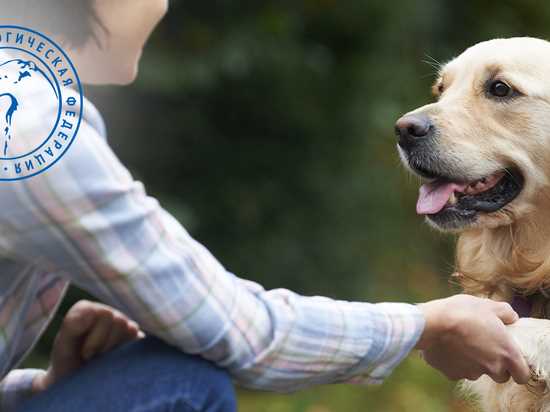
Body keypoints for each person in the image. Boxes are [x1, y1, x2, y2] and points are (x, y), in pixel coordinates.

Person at [0, 1, 531, 411]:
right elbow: (244, 332)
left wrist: (40, 389)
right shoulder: (31, 131)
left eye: (501, 90)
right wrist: (426, 325)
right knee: (179, 379)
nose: (162, 7)